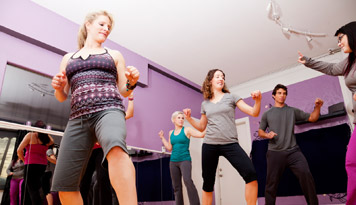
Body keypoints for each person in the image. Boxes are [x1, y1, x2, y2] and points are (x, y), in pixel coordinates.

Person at [51, 10, 139, 205]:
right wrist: (57, 87)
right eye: (102, 24)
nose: (106, 29)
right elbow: (61, 96)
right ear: (88, 25)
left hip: (109, 109)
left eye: (109, 27)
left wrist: (132, 82)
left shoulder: (113, 55)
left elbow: (124, 90)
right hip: (77, 118)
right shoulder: (68, 58)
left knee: (115, 146)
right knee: (64, 186)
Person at [298, 21, 356, 205]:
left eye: (341, 38)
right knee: (351, 162)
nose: (339, 43)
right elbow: (331, 69)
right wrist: (309, 61)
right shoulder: (349, 62)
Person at [183, 69, 261, 205]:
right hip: (210, 145)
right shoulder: (205, 104)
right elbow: (201, 126)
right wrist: (189, 119)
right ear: (210, 81)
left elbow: (254, 112)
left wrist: (258, 101)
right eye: (217, 76)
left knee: (251, 174)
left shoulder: (231, 97)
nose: (221, 79)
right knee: (207, 183)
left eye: (223, 77)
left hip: (230, 144)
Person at [258, 84, 323, 205]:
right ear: (274, 95)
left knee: (306, 175)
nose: (282, 96)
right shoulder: (267, 114)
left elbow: (312, 118)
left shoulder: (292, 111)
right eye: (279, 93)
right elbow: (260, 131)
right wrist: (267, 135)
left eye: (284, 93)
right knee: (271, 184)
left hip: (293, 151)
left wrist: (317, 107)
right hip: (275, 153)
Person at [80, 92, 135, 205]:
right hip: (89, 149)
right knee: (83, 180)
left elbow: (129, 113)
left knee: (103, 179)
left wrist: (131, 98)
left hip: (103, 149)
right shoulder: (93, 112)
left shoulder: (113, 115)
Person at [159, 111, 204, 205]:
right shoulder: (171, 132)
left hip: (185, 160)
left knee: (188, 181)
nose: (181, 120)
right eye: (179, 118)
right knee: (177, 187)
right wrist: (162, 137)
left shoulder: (187, 130)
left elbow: (201, 134)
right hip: (173, 162)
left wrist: (212, 125)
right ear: (174, 120)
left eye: (182, 118)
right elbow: (170, 148)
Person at [17, 120, 54, 204]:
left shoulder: (30, 135)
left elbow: (19, 150)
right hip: (42, 165)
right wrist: (46, 133)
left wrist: (24, 160)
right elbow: (52, 142)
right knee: (35, 187)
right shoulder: (47, 138)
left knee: (32, 189)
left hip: (31, 164)